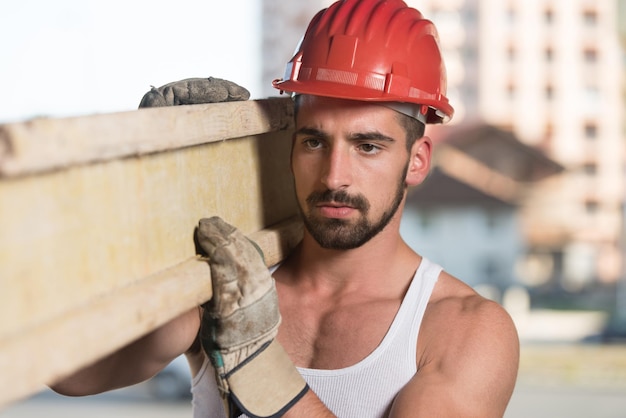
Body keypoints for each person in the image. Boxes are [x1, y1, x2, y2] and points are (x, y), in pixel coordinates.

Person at [51, 0, 520, 417]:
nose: (334, 176)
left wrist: (259, 366)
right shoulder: (227, 282)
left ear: (416, 161)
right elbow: (72, 374)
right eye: (314, 141)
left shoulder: (462, 330)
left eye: (368, 146)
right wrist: (145, 191)